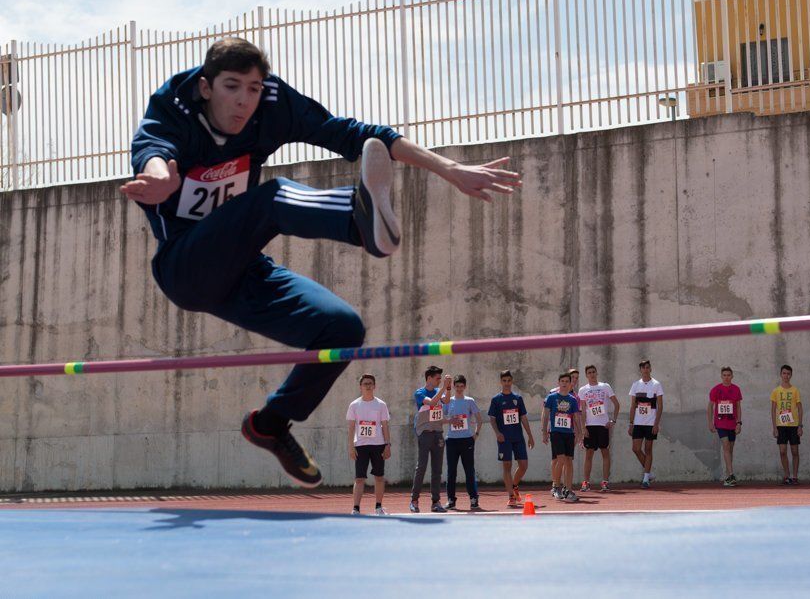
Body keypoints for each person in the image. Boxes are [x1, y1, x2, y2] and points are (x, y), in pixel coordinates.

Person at [122, 38, 519, 487]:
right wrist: (158, 176)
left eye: (252, 88)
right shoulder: (173, 104)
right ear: (207, 87)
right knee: (270, 198)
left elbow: (356, 134)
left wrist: (451, 170)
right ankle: (357, 219)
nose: (244, 101)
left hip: (243, 268)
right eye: (232, 87)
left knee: (342, 328)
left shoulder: (272, 103)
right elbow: (151, 151)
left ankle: (270, 423)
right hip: (186, 266)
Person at [488, 369, 535, 508]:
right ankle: (510, 496)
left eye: (509, 380)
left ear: (512, 381)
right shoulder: (496, 400)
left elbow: (524, 418)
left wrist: (530, 436)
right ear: (501, 382)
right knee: (507, 466)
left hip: (518, 437)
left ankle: (514, 486)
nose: (507, 383)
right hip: (504, 438)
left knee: (523, 465)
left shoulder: (518, 399)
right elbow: (492, 419)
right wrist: (497, 433)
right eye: (504, 381)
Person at [346, 374, 391, 515]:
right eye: (365, 383)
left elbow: (385, 426)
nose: (368, 386)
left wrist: (387, 445)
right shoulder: (354, 405)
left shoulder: (381, 404)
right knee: (359, 478)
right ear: (360, 386)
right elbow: (351, 427)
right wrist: (351, 446)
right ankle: (356, 508)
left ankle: (378, 507)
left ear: (375, 386)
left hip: (378, 445)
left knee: (379, 477)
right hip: (360, 446)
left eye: (370, 383)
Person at [410, 366, 451, 513]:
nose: (440, 380)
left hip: (438, 433)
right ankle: (414, 500)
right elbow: (432, 402)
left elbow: (446, 400)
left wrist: (448, 388)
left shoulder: (438, 392)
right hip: (425, 433)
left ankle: (436, 502)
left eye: (441, 378)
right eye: (437, 378)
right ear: (429, 378)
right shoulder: (420, 393)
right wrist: (443, 388)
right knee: (421, 467)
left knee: (437, 470)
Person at [578, 365, 620, 492]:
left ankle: (605, 482)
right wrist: (583, 426)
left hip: (603, 425)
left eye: (593, 372)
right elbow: (583, 411)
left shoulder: (605, 387)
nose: (592, 374)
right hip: (590, 426)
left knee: (605, 453)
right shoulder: (583, 390)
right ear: (586, 375)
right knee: (588, 454)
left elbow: (617, 404)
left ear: (597, 373)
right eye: (589, 372)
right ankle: (586, 482)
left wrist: (613, 420)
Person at [444, 375, 484, 510]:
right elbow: (441, 417)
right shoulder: (449, 401)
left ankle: (473, 498)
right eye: (457, 386)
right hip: (451, 441)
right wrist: (449, 420)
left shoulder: (469, 401)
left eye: (462, 386)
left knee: (469, 471)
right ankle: (451, 500)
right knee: (451, 472)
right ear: (454, 387)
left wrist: (476, 434)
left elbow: (479, 419)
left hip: (467, 440)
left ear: (465, 387)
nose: (459, 388)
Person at [543, 372, 583, 503]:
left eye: (567, 381)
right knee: (560, 460)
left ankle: (568, 490)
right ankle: (557, 486)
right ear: (559, 383)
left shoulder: (572, 399)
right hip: (556, 433)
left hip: (568, 433)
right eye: (563, 381)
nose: (565, 383)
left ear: (571, 384)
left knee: (569, 461)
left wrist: (579, 433)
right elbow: (546, 414)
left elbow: (576, 417)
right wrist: (544, 431)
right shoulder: (552, 397)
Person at [628, 359, 664, 488]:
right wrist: (631, 423)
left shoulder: (656, 384)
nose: (645, 369)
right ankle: (649, 473)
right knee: (636, 449)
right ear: (640, 370)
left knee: (648, 449)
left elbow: (660, 406)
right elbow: (633, 406)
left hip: (650, 423)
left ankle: (645, 479)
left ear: (650, 369)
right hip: (638, 423)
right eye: (643, 368)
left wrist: (656, 424)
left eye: (647, 367)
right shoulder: (635, 385)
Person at [708, 366, 742, 487]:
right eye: (724, 375)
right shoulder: (716, 390)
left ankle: (728, 476)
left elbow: (738, 407)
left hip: (732, 423)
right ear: (721, 376)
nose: (726, 377)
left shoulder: (736, 389)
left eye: (729, 375)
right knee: (726, 446)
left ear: (732, 376)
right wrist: (710, 423)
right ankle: (732, 474)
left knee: (730, 449)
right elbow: (710, 407)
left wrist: (739, 423)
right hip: (720, 423)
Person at [770, 365, 803, 485]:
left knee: (795, 451)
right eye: (784, 373)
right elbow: (773, 410)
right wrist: (774, 427)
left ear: (791, 375)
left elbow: (800, 408)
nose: (786, 376)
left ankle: (795, 476)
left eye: (788, 373)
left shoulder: (795, 390)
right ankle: (786, 475)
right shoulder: (776, 391)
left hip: (793, 425)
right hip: (781, 425)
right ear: (780, 374)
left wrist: (800, 426)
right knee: (782, 451)